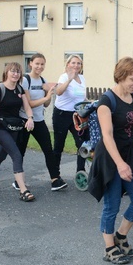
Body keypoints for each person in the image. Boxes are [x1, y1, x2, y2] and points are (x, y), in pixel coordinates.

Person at [87, 57, 133, 265]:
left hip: (132, 155)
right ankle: (109, 248)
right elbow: (107, 135)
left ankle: (120, 235)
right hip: (111, 158)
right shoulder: (107, 101)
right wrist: (120, 164)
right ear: (121, 76)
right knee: (111, 205)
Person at [0, 62, 36, 202]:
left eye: (18, 72)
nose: (15, 74)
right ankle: (23, 190)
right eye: (13, 71)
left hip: (13, 128)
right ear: (6, 72)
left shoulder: (19, 89)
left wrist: (30, 118)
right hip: (0, 128)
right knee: (16, 155)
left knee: (0, 156)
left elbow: (27, 107)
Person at [17, 53, 66, 191]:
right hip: (25, 120)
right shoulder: (25, 80)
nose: (39, 66)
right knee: (20, 152)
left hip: (38, 120)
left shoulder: (43, 80)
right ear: (30, 64)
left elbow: (46, 105)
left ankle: (55, 180)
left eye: (42, 64)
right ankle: (18, 181)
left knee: (48, 150)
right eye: (37, 63)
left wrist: (49, 94)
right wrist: (46, 98)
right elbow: (29, 104)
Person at [52, 54, 88, 184]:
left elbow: (82, 98)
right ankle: (55, 176)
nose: (76, 65)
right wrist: (69, 79)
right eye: (73, 63)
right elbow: (59, 92)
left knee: (82, 144)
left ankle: (80, 172)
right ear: (68, 64)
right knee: (59, 145)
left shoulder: (82, 78)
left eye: (78, 63)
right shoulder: (64, 77)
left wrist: (90, 105)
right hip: (61, 114)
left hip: (76, 116)